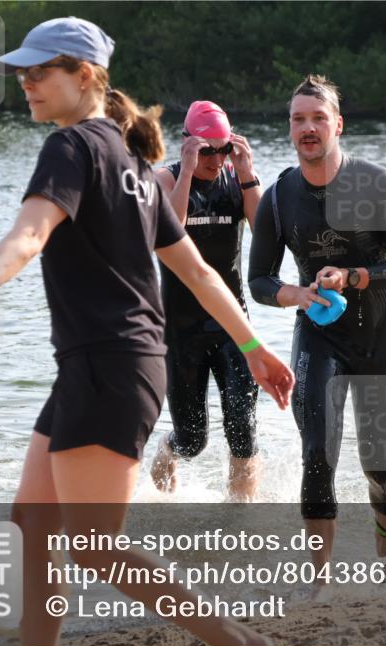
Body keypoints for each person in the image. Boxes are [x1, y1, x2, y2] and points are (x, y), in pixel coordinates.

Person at [0, 17, 291, 646]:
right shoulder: (133, 161)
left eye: (38, 72)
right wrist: (253, 348)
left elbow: (29, 236)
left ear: (83, 76)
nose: (24, 84)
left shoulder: (73, 148)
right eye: (20, 74)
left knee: (93, 545)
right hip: (104, 365)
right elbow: (195, 270)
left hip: (110, 366)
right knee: (33, 524)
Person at [248, 75, 386, 571]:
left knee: (379, 466)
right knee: (318, 455)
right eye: (298, 119)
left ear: (337, 125)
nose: (308, 128)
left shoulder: (378, 185)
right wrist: (296, 294)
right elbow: (259, 279)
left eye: (318, 118)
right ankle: (320, 580)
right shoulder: (280, 197)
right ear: (289, 128)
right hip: (319, 338)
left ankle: (385, 541)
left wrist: (355, 275)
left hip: (381, 340)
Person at [149, 101, 264, 500]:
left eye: (223, 149)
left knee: (242, 428)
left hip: (232, 320)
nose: (216, 159)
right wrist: (184, 171)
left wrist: (247, 176)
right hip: (180, 328)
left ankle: (240, 519)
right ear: (188, 144)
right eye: (206, 150)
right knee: (192, 439)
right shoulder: (163, 179)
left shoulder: (237, 178)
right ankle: (167, 449)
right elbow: (170, 231)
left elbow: (263, 233)